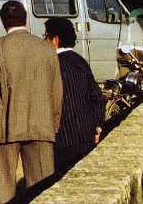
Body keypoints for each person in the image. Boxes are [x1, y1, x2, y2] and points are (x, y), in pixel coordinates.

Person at [0, 0, 61, 204]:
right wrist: (53, 124)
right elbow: (56, 91)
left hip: (4, 126)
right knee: (42, 189)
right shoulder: (47, 49)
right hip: (41, 125)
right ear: (26, 18)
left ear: (3, 21)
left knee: (3, 189)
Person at [44, 17, 104, 174]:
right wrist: (97, 125)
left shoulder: (51, 65)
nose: (44, 41)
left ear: (55, 39)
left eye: (46, 37)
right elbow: (97, 97)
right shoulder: (81, 61)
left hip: (62, 139)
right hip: (86, 134)